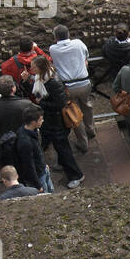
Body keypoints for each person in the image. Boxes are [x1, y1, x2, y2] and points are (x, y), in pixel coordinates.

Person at [29, 56, 84, 189]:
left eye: (33, 66)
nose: (31, 69)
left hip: (57, 122)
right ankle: (61, 164)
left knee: (63, 148)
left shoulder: (53, 82)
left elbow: (60, 103)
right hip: (50, 121)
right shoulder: (42, 78)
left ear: (40, 68)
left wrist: (41, 102)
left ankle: (76, 175)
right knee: (60, 146)